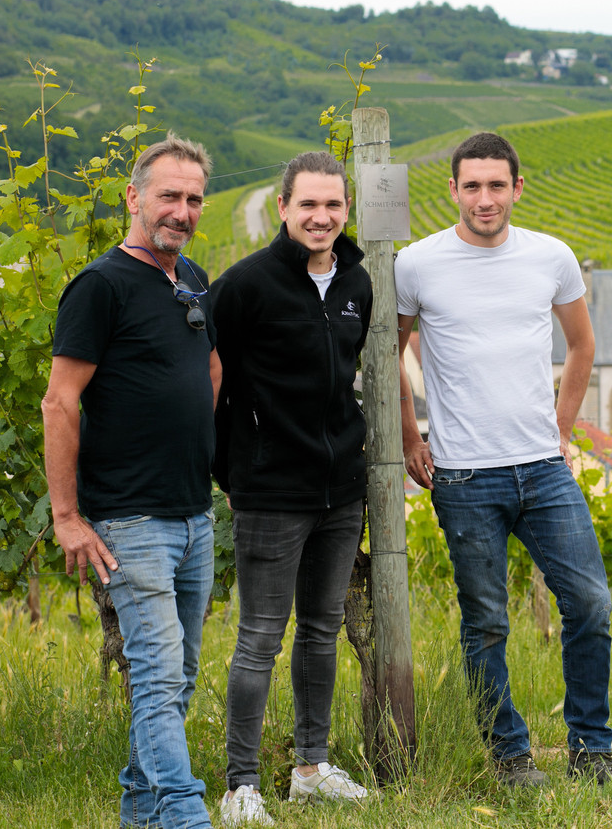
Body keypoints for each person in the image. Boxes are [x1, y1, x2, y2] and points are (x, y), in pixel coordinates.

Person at [395, 132, 612, 788]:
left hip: (542, 470)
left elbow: (582, 347)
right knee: (486, 624)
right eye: (471, 185)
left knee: (589, 603)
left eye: (496, 185)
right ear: (451, 190)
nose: (484, 198)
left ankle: (592, 752)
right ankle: (509, 759)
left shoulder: (551, 257)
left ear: (516, 189)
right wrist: (407, 438)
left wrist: (560, 429)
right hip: (464, 476)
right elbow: (390, 352)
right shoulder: (417, 264)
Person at [42, 133, 220, 829]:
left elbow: (206, 373)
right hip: (130, 520)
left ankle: (140, 814)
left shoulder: (193, 279)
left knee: (177, 681)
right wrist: (66, 516)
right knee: (156, 678)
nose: (181, 210)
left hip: (194, 514)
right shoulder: (100, 285)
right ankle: (184, 816)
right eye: (169, 195)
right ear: (134, 197)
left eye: (194, 199)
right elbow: (60, 402)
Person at [210, 151, 374, 826]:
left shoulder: (357, 281)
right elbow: (208, 379)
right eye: (308, 204)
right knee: (260, 637)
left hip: (341, 489)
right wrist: (227, 468)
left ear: (345, 210)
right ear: (283, 207)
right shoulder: (244, 285)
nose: (321, 216)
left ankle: (311, 767)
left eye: (333, 205)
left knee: (322, 631)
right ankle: (241, 785)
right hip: (270, 489)